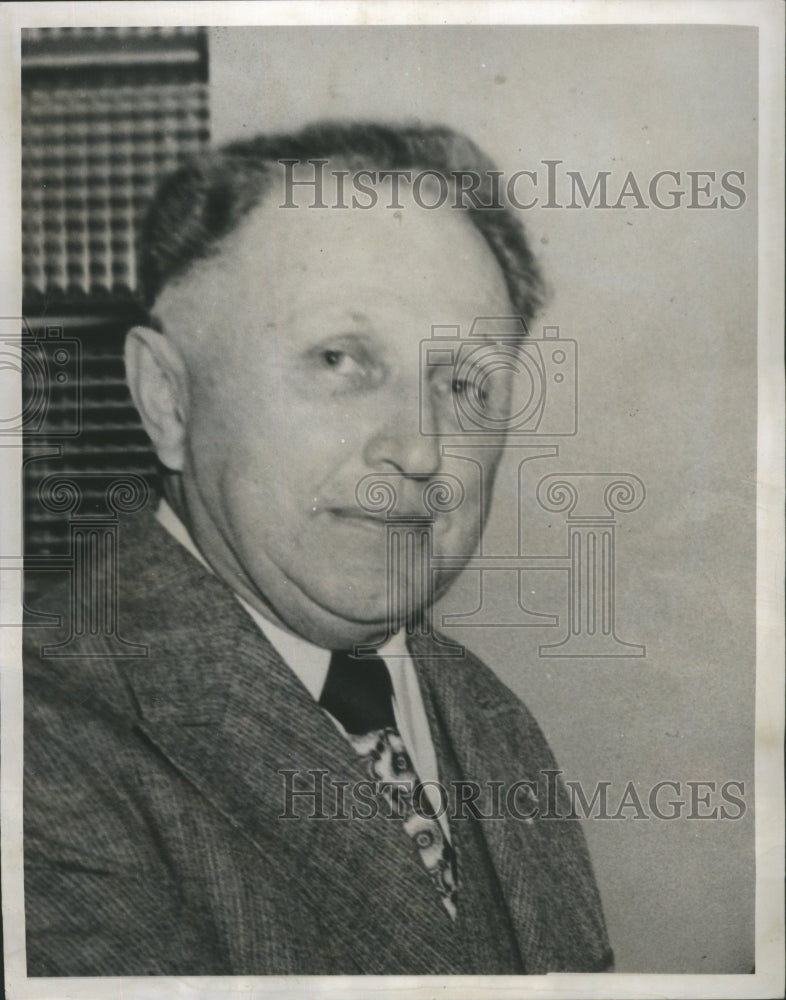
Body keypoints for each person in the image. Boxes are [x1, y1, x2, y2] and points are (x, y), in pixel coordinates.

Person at [24, 122, 613, 976]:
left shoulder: (489, 716)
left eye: (462, 383)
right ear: (168, 399)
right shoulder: (39, 749)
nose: (419, 449)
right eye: (340, 359)